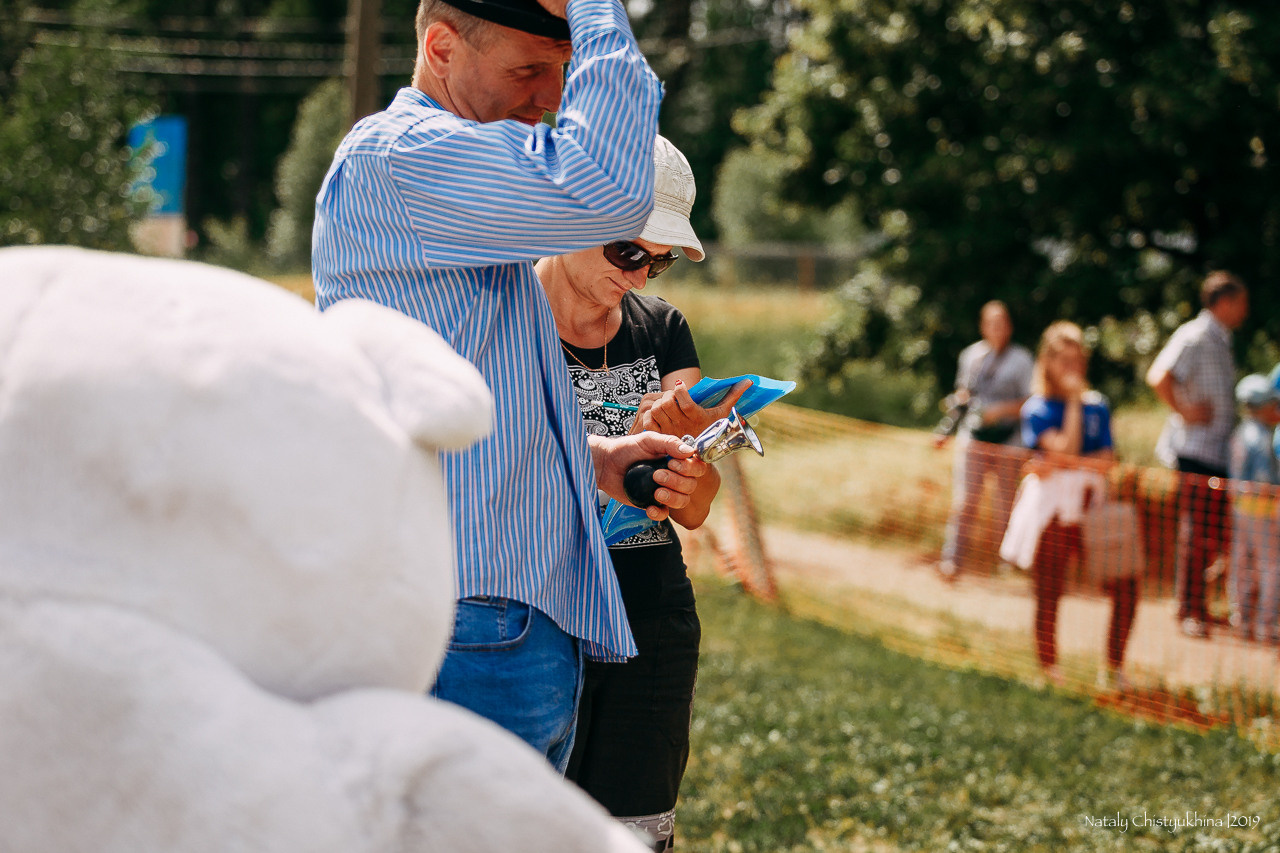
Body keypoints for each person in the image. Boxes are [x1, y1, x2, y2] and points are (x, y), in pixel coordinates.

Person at [312, 0, 714, 772]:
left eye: (562, 71)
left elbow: (470, 389)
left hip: (486, 618)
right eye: (529, 69)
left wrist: (593, 456)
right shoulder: (404, 155)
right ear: (441, 47)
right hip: (472, 620)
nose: (550, 98)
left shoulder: (452, 183)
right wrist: (596, 7)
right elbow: (613, 188)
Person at [536, 136, 746, 852]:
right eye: (630, 251)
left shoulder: (663, 329)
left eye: (657, 261)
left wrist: (690, 466)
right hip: (535, 616)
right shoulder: (502, 319)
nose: (640, 275)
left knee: (631, 836)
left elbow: (692, 507)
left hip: (647, 622)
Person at [1000, 322, 1137, 690]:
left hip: (1093, 507)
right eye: (1064, 361)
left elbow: (1106, 459)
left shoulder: (1099, 406)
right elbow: (1065, 447)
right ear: (1048, 363)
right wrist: (1073, 408)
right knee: (1049, 590)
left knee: (1125, 584)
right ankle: (1050, 668)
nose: (1072, 369)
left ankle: (1114, 666)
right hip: (1054, 513)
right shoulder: (1038, 407)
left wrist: (1060, 462)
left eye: (1078, 361)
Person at [1146, 271, 1249, 639]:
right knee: (1196, 530)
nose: (1245, 310)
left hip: (1218, 453)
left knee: (1210, 531)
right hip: (1194, 452)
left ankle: (1197, 605)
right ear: (1223, 302)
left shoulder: (1222, 340)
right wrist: (1184, 410)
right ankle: (1189, 609)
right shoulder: (1194, 335)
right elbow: (1159, 375)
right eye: (1240, 302)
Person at [935, 301, 1034, 580]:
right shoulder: (971, 357)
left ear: (1010, 326)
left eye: (1001, 323)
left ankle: (1007, 565)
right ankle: (952, 562)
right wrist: (948, 425)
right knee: (965, 501)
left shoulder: (1022, 360)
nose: (997, 329)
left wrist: (1001, 410)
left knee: (1005, 504)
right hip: (974, 438)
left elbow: (1032, 400)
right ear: (983, 326)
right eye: (991, 323)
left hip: (1008, 440)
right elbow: (963, 395)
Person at [1227, 375, 1280, 644]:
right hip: (1261, 509)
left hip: (1240, 507)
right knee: (1271, 566)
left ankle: (1240, 617)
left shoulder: (1239, 432)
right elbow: (1264, 481)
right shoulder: (1260, 438)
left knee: (1242, 563)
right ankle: (1266, 624)